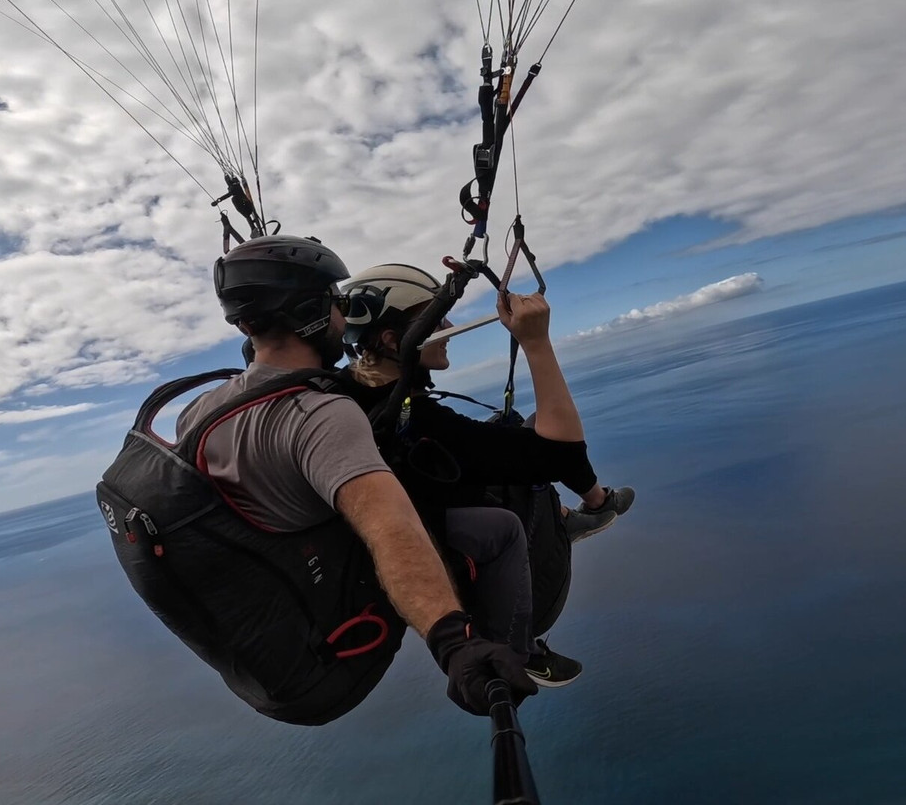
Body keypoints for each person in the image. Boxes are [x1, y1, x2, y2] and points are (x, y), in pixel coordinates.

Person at [170, 235, 538, 718]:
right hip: (333, 608)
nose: (345, 318)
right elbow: (390, 530)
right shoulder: (322, 415)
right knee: (500, 527)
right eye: (337, 302)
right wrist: (454, 642)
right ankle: (525, 651)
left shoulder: (199, 411)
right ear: (315, 315)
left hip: (265, 625)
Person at [334, 264, 635, 678]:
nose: (451, 325)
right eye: (437, 319)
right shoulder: (420, 422)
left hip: (417, 500)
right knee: (509, 513)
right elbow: (561, 452)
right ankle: (520, 649)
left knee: (524, 428)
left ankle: (585, 507)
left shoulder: (349, 389)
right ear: (392, 340)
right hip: (430, 532)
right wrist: (536, 343)